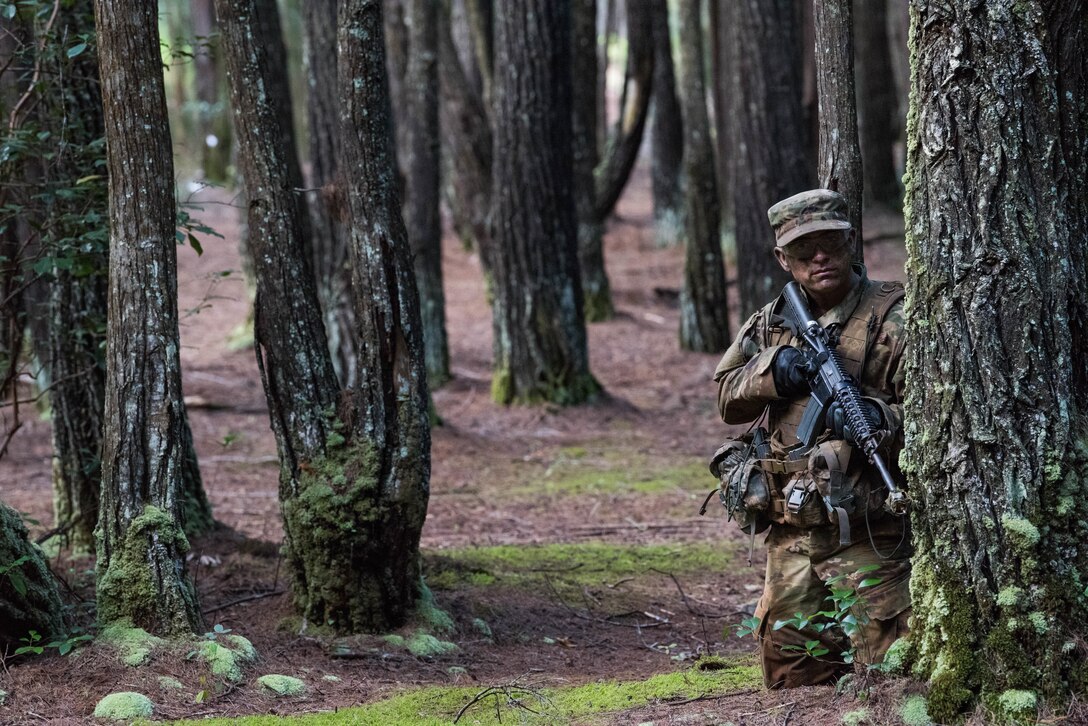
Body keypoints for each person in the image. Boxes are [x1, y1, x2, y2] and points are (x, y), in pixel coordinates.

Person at [712, 189, 911, 689]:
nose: (819, 257)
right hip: (791, 538)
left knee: (892, 679)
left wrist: (880, 418)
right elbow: (726, 399)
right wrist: (773, 371)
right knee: (793, 683)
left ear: (851, 244)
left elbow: (942, 419)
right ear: (783, 259)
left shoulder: (896, 318)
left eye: (830, 244)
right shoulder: (771, 322)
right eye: (804, 250)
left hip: (870, 535)